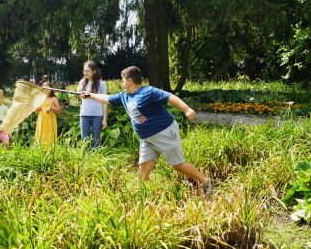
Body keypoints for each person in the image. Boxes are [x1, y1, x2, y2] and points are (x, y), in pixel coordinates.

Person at [80, 66, 212, 196]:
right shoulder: (124, 96)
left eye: (123, 80)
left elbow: (170, 97)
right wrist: (90, 95)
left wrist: (187, 109)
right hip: (147, 138)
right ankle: (143, 199)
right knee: (143, 169)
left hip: (164, 132)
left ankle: (205, 182)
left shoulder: (148, 92)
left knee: (178, 165)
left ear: (130, 80)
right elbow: (107, 99)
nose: (122, 83)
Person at [77, 61, 107, 148]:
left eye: (88, 71)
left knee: (96, 140)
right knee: (84, 140)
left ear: (94, 71)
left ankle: (95, 160)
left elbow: (104, 101)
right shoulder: (82, 82)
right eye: (84, 71)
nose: (85, 73)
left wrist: (104, 119)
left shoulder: (101, 83)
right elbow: (79, 95)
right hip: (84, 114)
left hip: (97, 115)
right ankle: (85, 160)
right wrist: (81, 95)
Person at [35, 81, 61, 146]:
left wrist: (52, 108)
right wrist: (37, 109)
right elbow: (36, 112)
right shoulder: (39, 99)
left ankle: (50, 151)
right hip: (41, 120)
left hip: (50, 120)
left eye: (47, 87)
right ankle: (40, 150)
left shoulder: (53, 99)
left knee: (49, 135)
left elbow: (59, 110)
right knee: (41, 135)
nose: (45, 88)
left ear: (51, 89)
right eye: (43, 86)